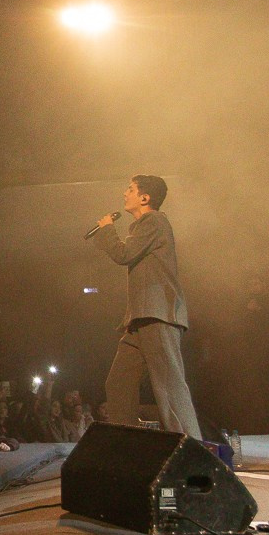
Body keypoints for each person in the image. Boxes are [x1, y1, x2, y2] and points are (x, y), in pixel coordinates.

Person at [88, 174, 204, 439]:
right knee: (118, 384)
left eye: (130, 189)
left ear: (145, 197)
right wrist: (106, 236)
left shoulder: (154, 221)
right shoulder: (142, 227)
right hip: (139, 320)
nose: (124, 193)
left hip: (157, 315)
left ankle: (191, 449)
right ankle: (128, 445)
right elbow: (123, 252)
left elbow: (124, 254)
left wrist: (107, 229)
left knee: (169, 387)